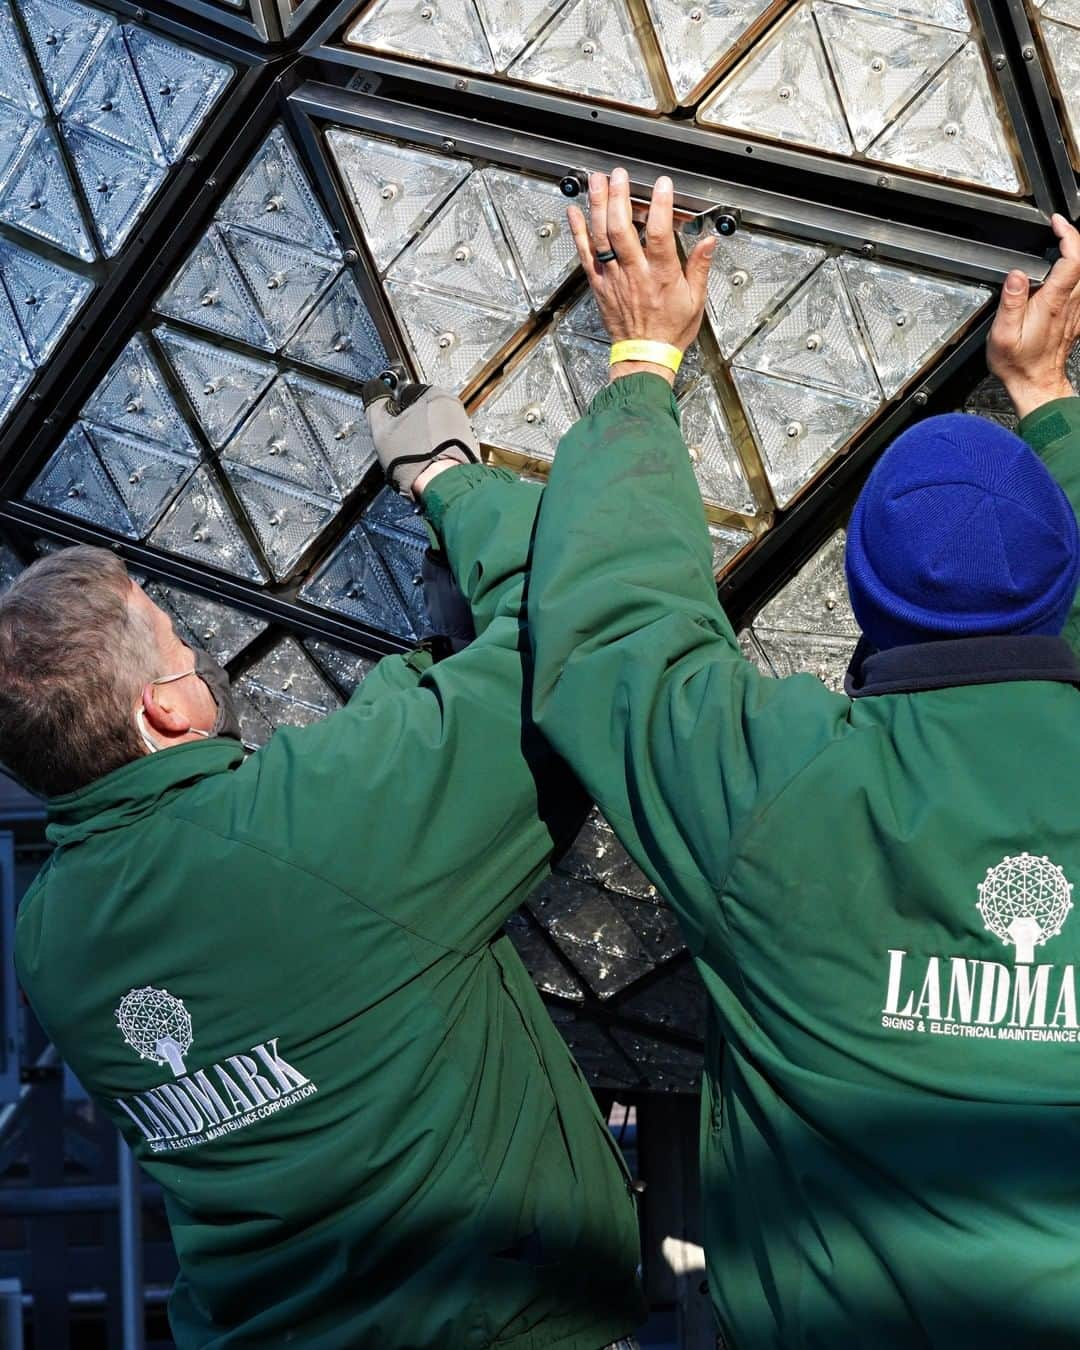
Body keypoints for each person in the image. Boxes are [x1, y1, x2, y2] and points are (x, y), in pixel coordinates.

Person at [526, 168, 1080, 1348]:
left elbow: (621, 644)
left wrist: (642, 370)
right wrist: (1050, 404)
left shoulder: (783, 790)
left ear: (863, 600)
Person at [7, 386, 645, 1349]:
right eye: (180, 640)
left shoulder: (49, 939)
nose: (199, 648)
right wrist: (449, 481)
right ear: (164, 712)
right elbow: (572, 643)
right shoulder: (308, 824)